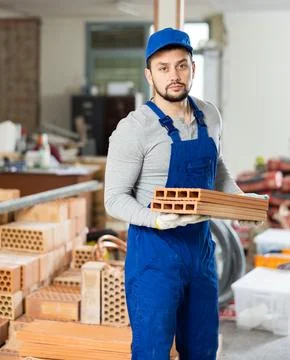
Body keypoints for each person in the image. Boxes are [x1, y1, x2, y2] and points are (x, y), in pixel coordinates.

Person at [105, 27, 255, 360]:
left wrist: (240, 202)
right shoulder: (133, 129)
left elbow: (218, 169)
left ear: (193, 68)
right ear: (149, 74)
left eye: (182, 65)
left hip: (200, 251)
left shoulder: (210, 116)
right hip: (154, 258)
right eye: (163, 67)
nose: (174, 75)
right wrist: (157, 219)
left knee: (202, 348)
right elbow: (114, 198)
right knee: (153, 352)